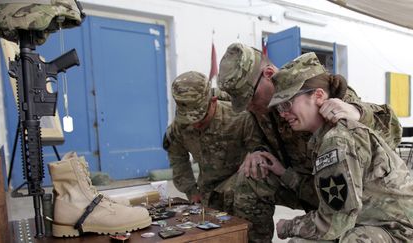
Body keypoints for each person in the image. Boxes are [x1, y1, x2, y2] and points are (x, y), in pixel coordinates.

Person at [217, 43, 402, 242]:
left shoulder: (317, 89)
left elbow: (390, 133)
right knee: (248, 181)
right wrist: (257, 153)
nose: (250, 107)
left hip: (351, 198)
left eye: (250, 97)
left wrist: (357, 112)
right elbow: (260, 139)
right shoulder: (261, 110)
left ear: (269, 74)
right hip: (306, 185)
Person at [267, 52, 413, 242]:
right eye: (279, 108)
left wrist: (288, 226)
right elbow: (331, 199)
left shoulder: (337, 140)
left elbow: (333, 223)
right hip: (371, 222)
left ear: (318, 95)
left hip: (399, 231)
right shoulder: (325, 137)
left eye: (287, 104)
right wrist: (284, 173)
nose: (283, 114)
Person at [163, 71, 264, 211]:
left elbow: (260, 154)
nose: (195, 124)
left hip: (244, 191)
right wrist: (191, 191)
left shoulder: (240, 118)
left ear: (213, 101)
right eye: (189, 119)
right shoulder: (178, 128)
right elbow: (178, 159)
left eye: (201, 117)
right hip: (208, 193)